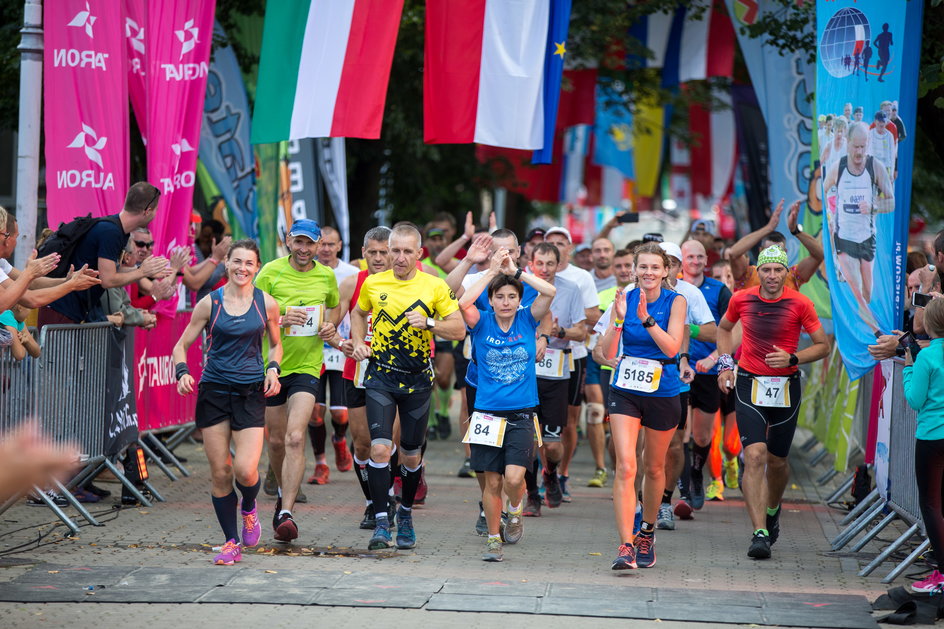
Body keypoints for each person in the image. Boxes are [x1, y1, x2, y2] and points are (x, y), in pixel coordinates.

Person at [350, 224, 465, 550]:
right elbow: (359, 314)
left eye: (405, 252)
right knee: (379, 449)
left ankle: (406, 513)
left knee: (411, 456)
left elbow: (458, 329)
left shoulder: (435, 287)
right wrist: (359, 341)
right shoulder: (374, 283)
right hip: (380, 377)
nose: (398, 258)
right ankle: (383, 522)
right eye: (393, 251)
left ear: (418, 254)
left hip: (416, 381)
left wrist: (430, 323)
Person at [173, 239, 283, 565]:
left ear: (257, 267)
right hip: (214, 391)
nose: (242, 268)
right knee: (221, 472)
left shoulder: (267, 304)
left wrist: (273, 369)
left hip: (250, 392)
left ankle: (249, 506)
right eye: (237, 262)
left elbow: (276, 345)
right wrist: (182, 373)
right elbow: (181, 345)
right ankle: (230, 541)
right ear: (226, 264)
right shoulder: (210, 303)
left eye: (249, 263)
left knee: (245, 470)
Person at [716, 246, 829, 559]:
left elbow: (822, 347)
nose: (772, 276)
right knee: (754, 455)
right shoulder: (742, 298)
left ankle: (773, 507)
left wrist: (793, 357)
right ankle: (759, 532)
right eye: (766, 270)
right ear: (758, 272)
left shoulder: (800, 302)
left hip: (785, 387)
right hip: (749, 382)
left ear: (785, 273)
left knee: (777, 462)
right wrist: (725, 364)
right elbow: (725, 329)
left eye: (778, 270)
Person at [459, 247, 556, 561]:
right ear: (491, 300)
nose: (505, 302)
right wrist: (490, 271)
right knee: (492, 480)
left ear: (519, 300)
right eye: (499, 297)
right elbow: (462, 302)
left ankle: (515, 510)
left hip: (521, 413)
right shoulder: (482, 322)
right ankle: (492, 538)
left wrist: (515, 271)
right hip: (486, 413)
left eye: (511, 296)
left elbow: (550, 290)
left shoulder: (528, 320)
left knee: (514, 479)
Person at [597, 242, 687, 570]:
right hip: (626, 388)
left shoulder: (676, 301)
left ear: (665, 271)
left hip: (663, 389)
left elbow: (673, 346)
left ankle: (646, 532)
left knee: (654, 468)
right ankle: (625, 545)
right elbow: (607, 353)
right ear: (635, 269)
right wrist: (619, 321)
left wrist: (647, 320)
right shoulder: (623, 298)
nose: (648, 273)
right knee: (626, 465)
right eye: (643, 267)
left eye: (654, 267)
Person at [254, 219, 340, 542]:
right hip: (272, 366)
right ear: (288, 241)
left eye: (310, 243)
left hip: (307, 365)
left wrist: (331, 326)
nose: (304, 249)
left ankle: (286, 511)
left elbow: (336, 305)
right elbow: (251, 313)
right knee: (275, 442)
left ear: (319, 246)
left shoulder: (326, 275)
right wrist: (279, 317)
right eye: (298, 242)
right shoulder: (270, 273)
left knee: (294, 437)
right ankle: (279, 488)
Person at [328, 227, 393, 530]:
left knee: (392, 442)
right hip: (358, 372)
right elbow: (328, 328)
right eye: (373, 253)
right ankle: (372, 502)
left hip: (397, 374)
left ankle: (389, 498)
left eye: (384, 252)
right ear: (363, 253)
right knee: (363, 444)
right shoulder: (352, 282)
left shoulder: (409, 284)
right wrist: (346, 345)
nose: (378, 258)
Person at [42, 182, 169, 326]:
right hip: (61, 312)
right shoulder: (111, 232)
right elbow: (108, 279)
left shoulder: (119, 231)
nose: (156, 214)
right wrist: (141, 272)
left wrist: (147, 272)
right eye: (156, 210)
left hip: (71, 312)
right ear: (147, 211)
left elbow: (109, 269)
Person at [524, 242, 586, 514]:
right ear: (531, 262)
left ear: (559, 264)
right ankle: (531, 496)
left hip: (556, 373)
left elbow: (582, 332)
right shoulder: (521, 286)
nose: (546, 269)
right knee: (524, 441)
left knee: (551, 444)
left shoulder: (570, 288)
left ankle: (550, 474)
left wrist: (559, 331)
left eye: (551, 264)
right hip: (524, 373)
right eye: (540, 264)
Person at [545, 227, 600, 502]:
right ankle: (544, 473)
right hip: (540, 358)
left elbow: (593, 315)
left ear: (568, 247)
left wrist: (564, 323)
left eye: (560, 243)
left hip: (572, 355)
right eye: (550, 243)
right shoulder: (534, 276)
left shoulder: (580, 277)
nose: (555, 246)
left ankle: (562, 474)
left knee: (568, 421)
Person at [823, 123, 895, 334]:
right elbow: (823, 190)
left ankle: (866, 316)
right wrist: (830, 214)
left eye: (863, 147)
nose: (859, 152)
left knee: (867, 290)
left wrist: (873, 206)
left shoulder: (876, 167)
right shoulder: (839, 166)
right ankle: (874, 330)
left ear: (868, 145)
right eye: (855, 146)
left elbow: (891, 202)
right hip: (844, 236)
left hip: (867, 237)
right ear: (848, 144)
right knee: (854, 285)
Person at [679, 239, 732, 511]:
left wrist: (714, 359)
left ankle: (697, 473)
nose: (696, 262)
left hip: (706, 370)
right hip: (676, 369)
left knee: (701, 437)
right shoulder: (671, 287)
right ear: (681, 259)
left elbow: (730, 330)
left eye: (700, 257)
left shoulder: (719, 290)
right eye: (691, 257)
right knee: (680, 435)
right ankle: (682, 485)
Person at [308, 225, 358, 484]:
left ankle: (339, 438)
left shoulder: (353, 273)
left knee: (340, 414)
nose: (326, 249)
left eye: (331, 244)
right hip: (313, 347)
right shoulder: (307, 272)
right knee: (315, 412)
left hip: (341, 346)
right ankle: (320, 464)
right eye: (322, 244)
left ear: (339, 246)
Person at [902, 299, 944, 592]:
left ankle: (941, 573)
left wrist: (907, 366)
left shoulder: (927, 359)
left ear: (929, 325)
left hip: (931, 437)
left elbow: (915, 400)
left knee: (931, 505)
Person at [0, 210, 101, 313]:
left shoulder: (1, 262)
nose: (17, 242)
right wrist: (71, 285)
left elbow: (33, 284)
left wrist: (68, 281)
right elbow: (29, 299)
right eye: (16, 237)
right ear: (6, 239)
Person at [727, 199, 824, 294]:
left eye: (778, 250)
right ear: (760, 251)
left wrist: (796, 231)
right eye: (769, 250)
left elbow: (819, 255)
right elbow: (733, 253)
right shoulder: (748, 275)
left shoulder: (793, 276)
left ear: (785, 252)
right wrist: (768, 228)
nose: (773, 255)